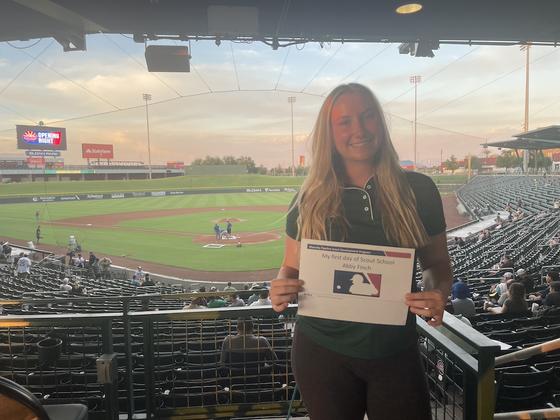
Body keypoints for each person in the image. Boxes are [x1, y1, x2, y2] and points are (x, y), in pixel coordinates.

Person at [270, 83, 452, 420]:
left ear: (380, 123)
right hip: (321, 351)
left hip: (394, 350)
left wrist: (437, 291)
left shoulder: (419, 190)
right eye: (345, 121)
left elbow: (437, 263)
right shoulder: (308, 197)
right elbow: (289, 269)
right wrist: (281, 287)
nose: (359, 129)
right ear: (330, 132)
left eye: (368, 117)